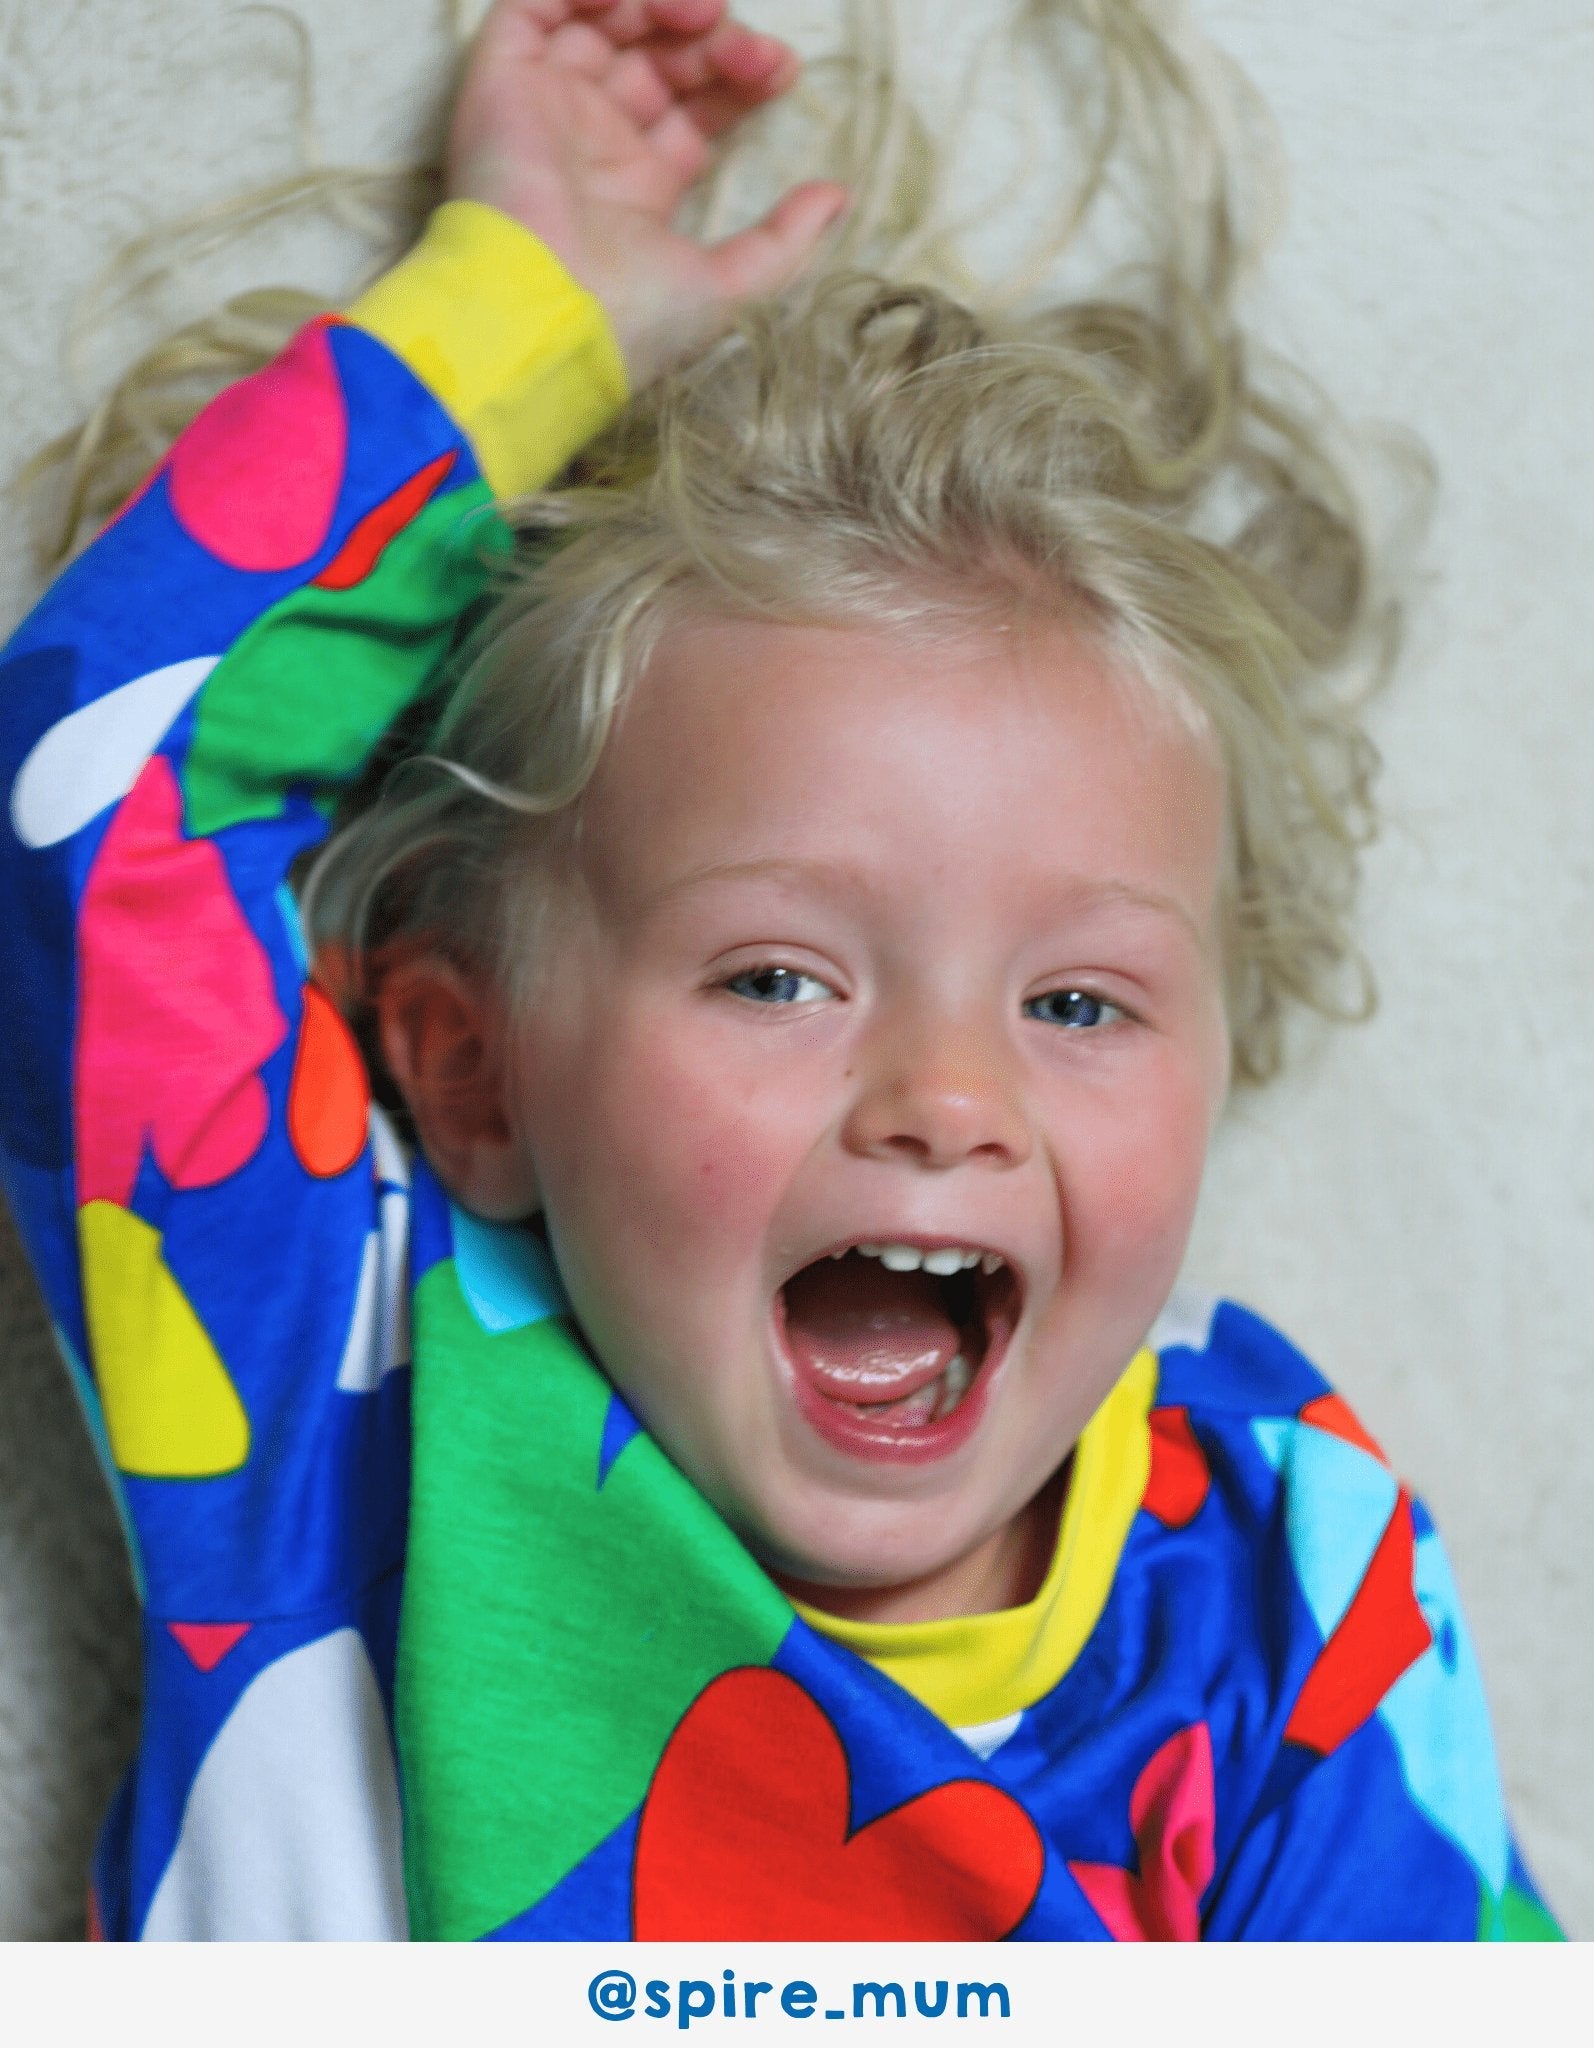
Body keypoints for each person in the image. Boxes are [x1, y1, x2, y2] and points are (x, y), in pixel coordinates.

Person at [0, 0, 1561, 1939]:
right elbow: (104, 786)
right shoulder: (342, 1360)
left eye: (1074, 1004)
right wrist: (528, 307)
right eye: (775, 979)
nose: (947, 1098)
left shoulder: (1282, 1585)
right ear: (478, 1072)